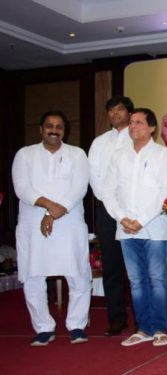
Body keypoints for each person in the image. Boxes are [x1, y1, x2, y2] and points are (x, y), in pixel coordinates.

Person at [12, 110, 91, 346]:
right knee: (34, 275)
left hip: (69, 222)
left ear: (65, 131)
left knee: (78, 274)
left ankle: (76, 325)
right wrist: (49, 208)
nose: (54, 130)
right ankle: (43, 327)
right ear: (40, 129)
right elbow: (22, 189)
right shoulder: (24, 155)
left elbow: (79, 188)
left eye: (59, 127)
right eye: (49, 126)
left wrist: (55, 212)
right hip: (32, 223)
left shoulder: (77, 154)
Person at [101, 108, 167, 347]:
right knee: (136, 280)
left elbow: (166, 193)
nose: (133, 126)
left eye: (139, 122)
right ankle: (142, 328)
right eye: (131, 122)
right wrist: (122, 218)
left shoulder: (163, 155)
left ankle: (159, 328)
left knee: (156, 278)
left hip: (154, 227)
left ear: (152, 128)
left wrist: (141, 220)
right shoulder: (118, 156)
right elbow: (107, 191)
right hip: (125, 228)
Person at [88, 96, 134, 337]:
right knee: (112, 266)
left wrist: (126, 205)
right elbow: (94, 175)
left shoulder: (138, 137)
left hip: (134, 209)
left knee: (136, 266)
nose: (115, 114)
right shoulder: (99, 142)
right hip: (107, 210)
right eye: (111, 110)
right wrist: (110, 203)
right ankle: (117, 318)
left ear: (129, 112)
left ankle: (141, 316)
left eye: (120, 110)